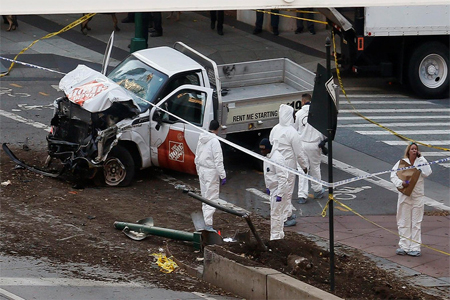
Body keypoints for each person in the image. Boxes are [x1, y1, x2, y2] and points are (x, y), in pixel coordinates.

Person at [269, 104, 308, 227]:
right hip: (288, 165)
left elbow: (271, 142)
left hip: (275, 163)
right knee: (287, 192)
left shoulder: (275, 128)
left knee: (278, 190)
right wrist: (304, 166)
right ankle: (285, 217)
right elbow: (299, 152)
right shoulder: (292, 132)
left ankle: (286, 213)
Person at [390, 142, 432, 257]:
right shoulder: (402, 163)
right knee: (403, 220)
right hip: (405, 195)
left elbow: (428, 172)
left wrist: (421, 158)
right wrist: (400, 184)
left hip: (417, 195)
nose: (414, 150)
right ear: (408, 151)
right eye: (412, 149)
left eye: (416, 149)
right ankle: (404, 246)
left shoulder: (421, 162)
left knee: (416, 222)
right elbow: (393, 175)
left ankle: (415, 247)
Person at [294, 93, 326, 204]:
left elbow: (295, 130)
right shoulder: (318, 113)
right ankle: (317, 189)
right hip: (315, 144)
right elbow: (324, 129)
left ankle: (302, 195)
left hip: (302, 144)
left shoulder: (298, 114)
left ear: (302, 101)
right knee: (315, 167)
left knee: (302, 169)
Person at [195, 120, 227, 230]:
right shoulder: (214, 141)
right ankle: (208, 225)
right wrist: (222, 175)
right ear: (217, 129)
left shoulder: (202, 138)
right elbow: (218, 160)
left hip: (203, 170)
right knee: (211, 198)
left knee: (205, 196)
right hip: (211, 172)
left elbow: (197, 156)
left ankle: (206, 220)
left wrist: (198, 170)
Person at [260, 138, 289, 240]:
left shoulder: (277, 158)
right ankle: (279, 236)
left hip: (278, 189)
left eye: (263, 149)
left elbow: (283, 177)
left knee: (276, 215)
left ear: (268, 149)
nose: (261, 152)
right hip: (274, 189)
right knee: (277, 214)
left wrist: (280, 194)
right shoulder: (268, 156)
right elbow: (269, 174)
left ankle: (275, 238)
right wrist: (268, 187)